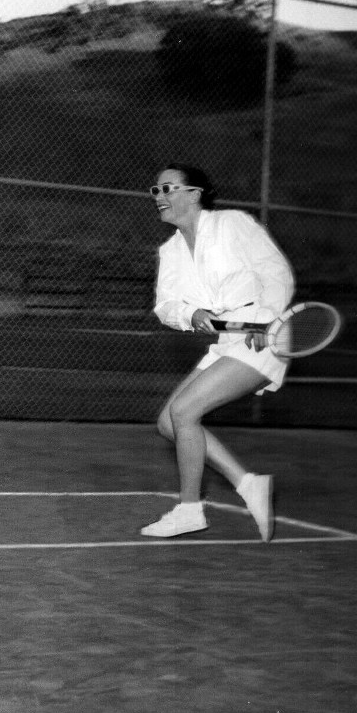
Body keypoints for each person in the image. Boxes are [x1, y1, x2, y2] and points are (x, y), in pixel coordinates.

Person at [141, 163, 295, 541]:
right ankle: (248, 483)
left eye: (168, 188)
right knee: (169, 423)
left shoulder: (233, 224)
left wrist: (270, 322)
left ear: (194, 193)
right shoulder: (171, 250)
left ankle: (190, 509)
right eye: (155, 191)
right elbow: (166, 306)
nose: (159, 197)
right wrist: (191, 314)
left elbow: (275, 273)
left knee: (184, 411)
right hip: (227, 340)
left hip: (264, 333)